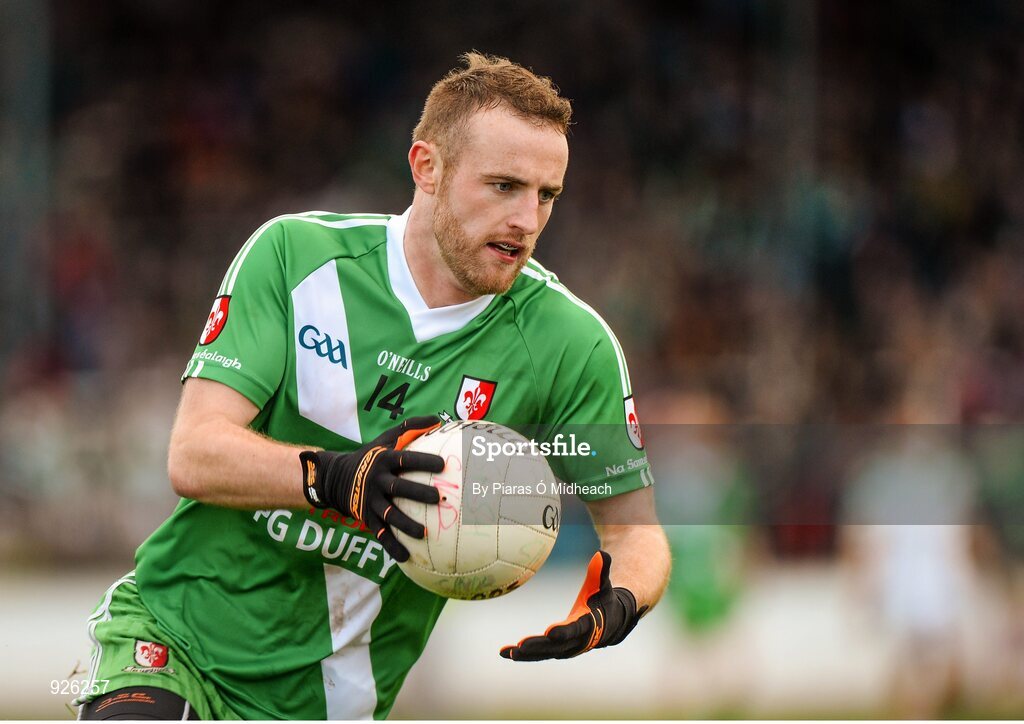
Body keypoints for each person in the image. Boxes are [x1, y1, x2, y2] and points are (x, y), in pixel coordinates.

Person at [75, 52, 670, 720]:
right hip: (173, 642)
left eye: (546, 195)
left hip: (332, 703)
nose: (527, 221)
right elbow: (195, 454)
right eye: (504, 186)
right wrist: (339, 479)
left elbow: (635, 532)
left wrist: (620, 602)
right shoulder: (297, 259)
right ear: (427, 168)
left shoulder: (570, 346)